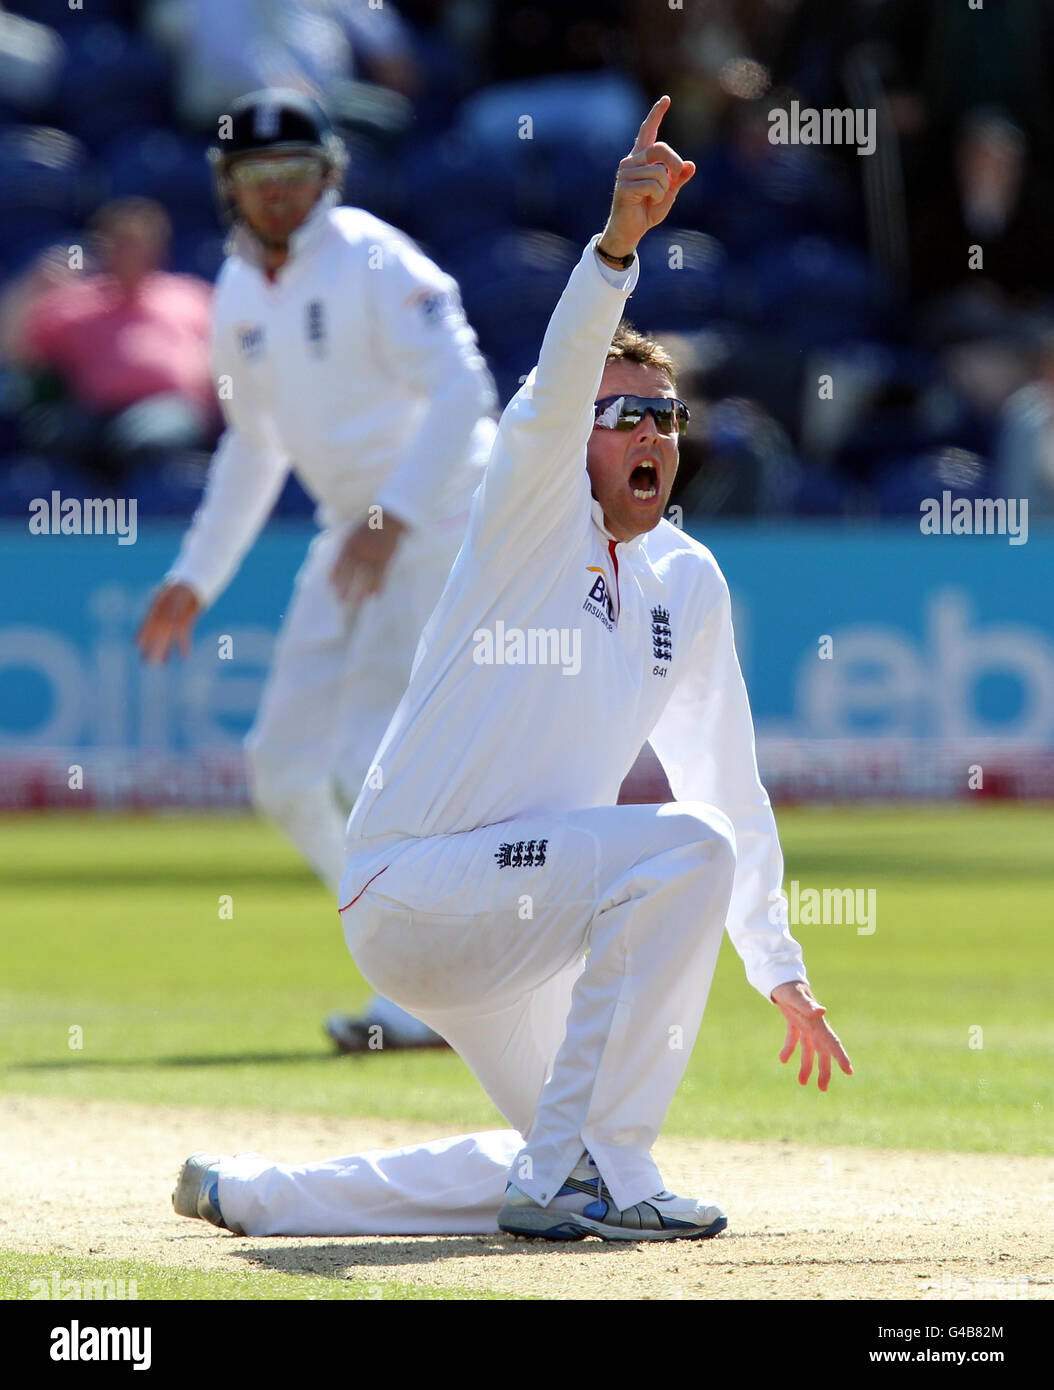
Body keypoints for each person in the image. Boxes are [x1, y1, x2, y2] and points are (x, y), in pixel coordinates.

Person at [173, 96, 851, 1243]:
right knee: (681, 851)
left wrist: (776, 964)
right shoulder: (527, 517)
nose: (647, 435)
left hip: (512, 923)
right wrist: (616, 247)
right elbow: (549, 385)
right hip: (416, 886)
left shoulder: (688, 582)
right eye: (621, 415)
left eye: (665, 418)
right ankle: (604, 1177)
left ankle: (259, 1195)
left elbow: (728, 780)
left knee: (561, 1122)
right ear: (571, 442)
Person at [137, 88, 498, 1052]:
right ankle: (422, 974)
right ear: (230, 188)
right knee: (285, 771)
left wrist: (400, 515)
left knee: (361, 765)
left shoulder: (376, 259)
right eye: (259, 181)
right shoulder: (237, 288)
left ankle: (439, 985)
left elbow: (467, 387)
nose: (279, 196)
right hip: (353, 529)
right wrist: (195, 575)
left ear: (329, 175)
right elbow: (254, 448)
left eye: (296, 176)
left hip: (443, 521)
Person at [0, 198, 218, 484]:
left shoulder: (191, 297)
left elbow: (228, 359)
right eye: (120, 242)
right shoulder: (74, 303)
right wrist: (32, 286)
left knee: (150, 436)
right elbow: (14, 352)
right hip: (93, 417)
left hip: (169, 411)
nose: (129, 251)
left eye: (138, 242)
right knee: (58, 435)